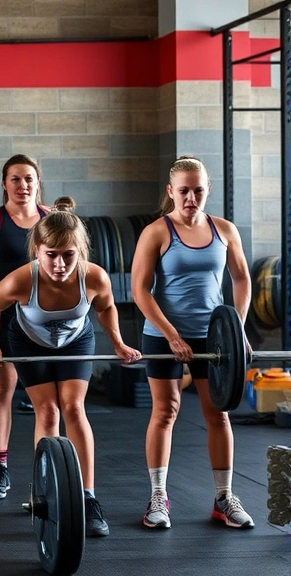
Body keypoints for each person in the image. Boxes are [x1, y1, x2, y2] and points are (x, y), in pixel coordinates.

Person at [0, 203, 139, 538]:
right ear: (37, 251)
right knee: (48, 410)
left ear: (79, 251)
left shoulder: (93, 276)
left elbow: (107, 306)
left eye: (68, 255)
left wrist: (118, 342)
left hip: (76, 341)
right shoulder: (23, 279)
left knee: (74, 407)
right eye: (51, 254)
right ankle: (47, 489)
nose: (60, 264)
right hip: (27, 342)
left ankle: (88, 496)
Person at [131, 156, 255, 530]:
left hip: (212, 336)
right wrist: (171, 335)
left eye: (198, 190)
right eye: (183, 191)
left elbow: (242, 280)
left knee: (218, 413)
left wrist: (237, 329)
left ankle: (223, 498)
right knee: (165, 411)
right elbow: (140, 290)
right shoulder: (156, 231)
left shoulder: (225, 231)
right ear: (171, 192)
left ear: (207, 190)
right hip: (162, 334)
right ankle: (157, 497)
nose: (191, 197)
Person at [0, 154, 53, 500]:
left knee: (46, 401)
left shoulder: (52, 221)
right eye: (15, 179)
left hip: (41, 321)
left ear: (38, 181)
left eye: (28, 179)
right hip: (2, 317)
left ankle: (44, 476)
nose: (22, 186)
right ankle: (0, 467)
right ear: (4, 183)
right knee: (2, 391)